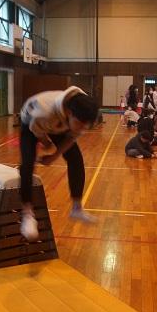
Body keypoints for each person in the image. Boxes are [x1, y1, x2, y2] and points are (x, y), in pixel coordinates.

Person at [19, 86, 99, 241]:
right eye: (80, 124)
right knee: (27, 163)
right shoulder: (44, 113)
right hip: (31, 122)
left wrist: (53, 157)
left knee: (75, 158)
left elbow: (71, 138)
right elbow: (37, 131)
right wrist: (47, 144)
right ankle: (27, 213)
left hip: (58, 122)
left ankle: (76, 208)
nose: (82, 129)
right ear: (69, 113)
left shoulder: (82, 109)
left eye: (85, 126)